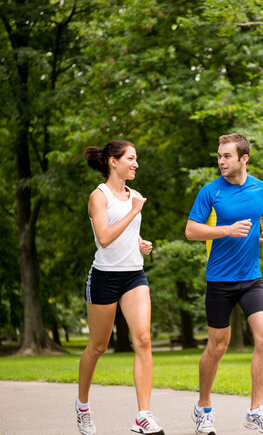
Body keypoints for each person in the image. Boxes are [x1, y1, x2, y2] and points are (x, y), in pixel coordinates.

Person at [185, 133, 263, 434]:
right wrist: (225, 230)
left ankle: (256, 410)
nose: (221, 161)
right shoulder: (211, 192)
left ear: (244, 159)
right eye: (219, 156)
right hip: (219, 281)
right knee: (217, 346)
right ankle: (203, 408)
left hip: (252, 279)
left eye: (226, 156)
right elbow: (190, 231)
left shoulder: (261, 189)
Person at [76, 140, 163, 435]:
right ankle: (83, 407)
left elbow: (125, 234)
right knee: (98, 346)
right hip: (104, 278)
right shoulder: (98, 197)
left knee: (144, 339)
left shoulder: (133, 195)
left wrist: (140, 243)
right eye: (131, 158)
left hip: (134, 276)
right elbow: (103, 238)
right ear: (114, 161)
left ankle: (143, 415)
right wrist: (133, 211)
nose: (136, 164)